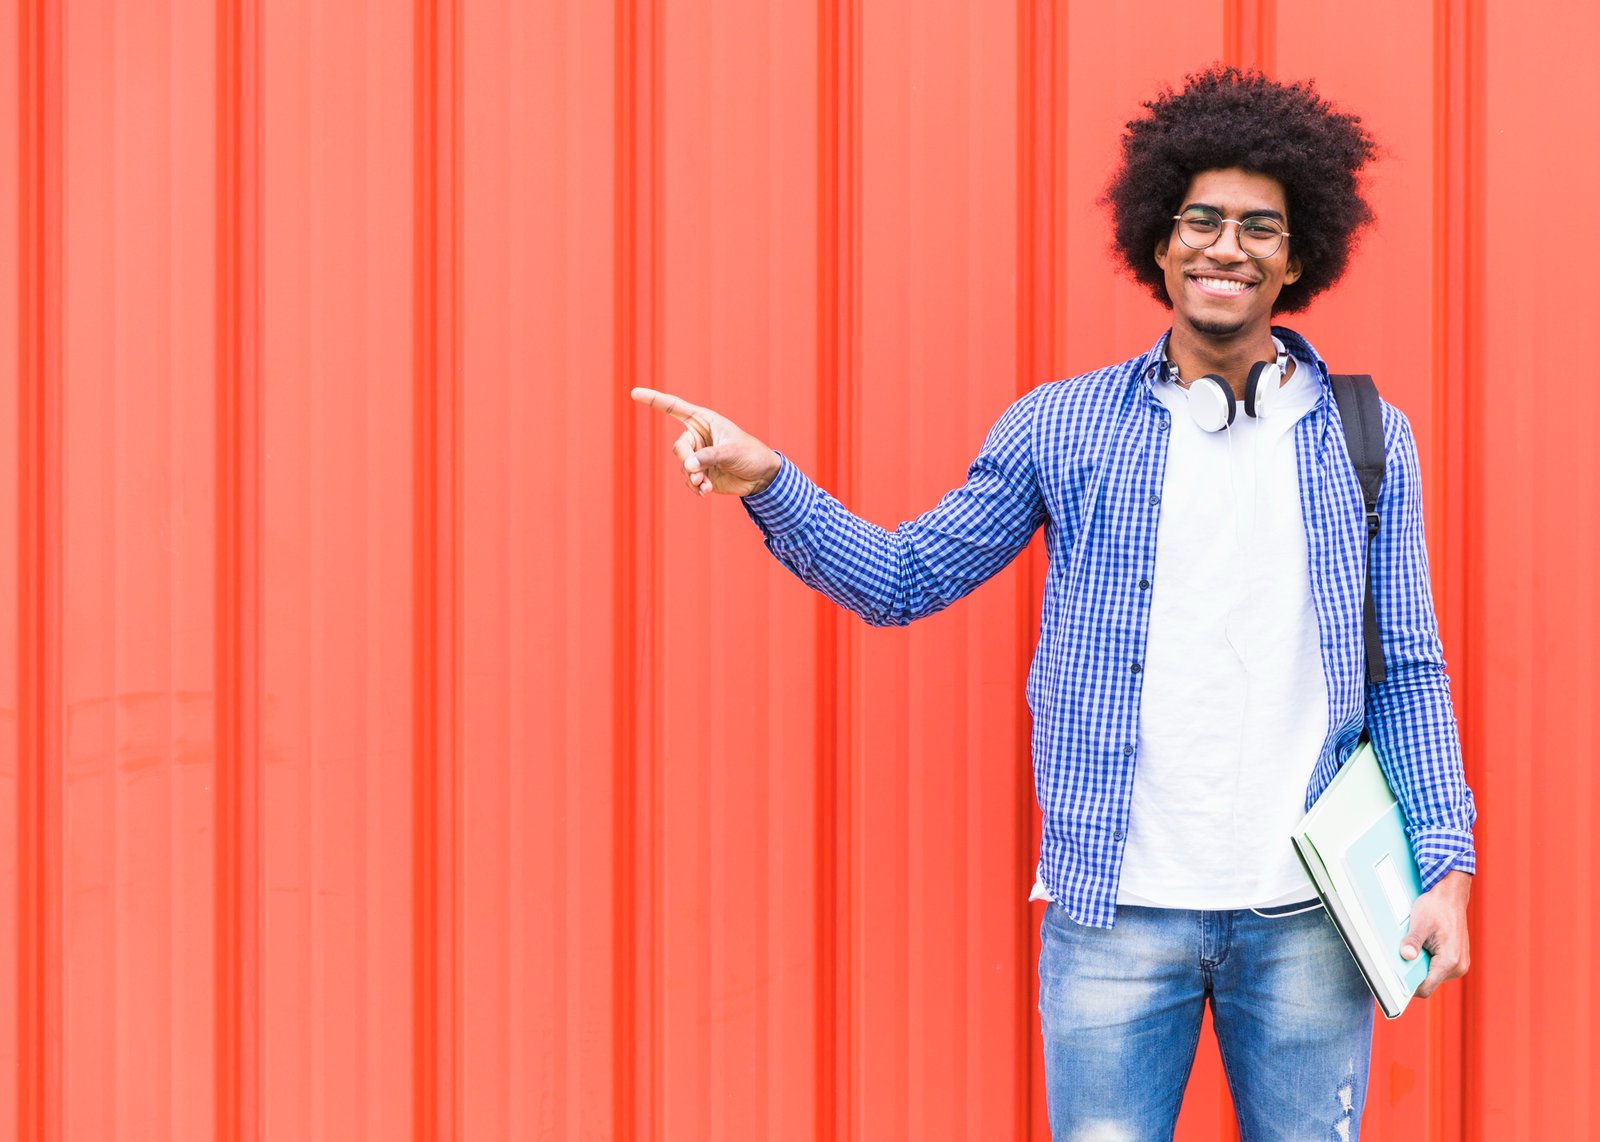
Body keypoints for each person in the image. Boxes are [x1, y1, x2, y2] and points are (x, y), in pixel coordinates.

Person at [633, 66, 1474, 1141]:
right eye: (1200, 219)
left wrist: (1445, 864)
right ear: (1157, 244)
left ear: (1298, 254)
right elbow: (902, 578)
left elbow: (1405, 664)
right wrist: (770, 482)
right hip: (1112, 910)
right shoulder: (1061, 428)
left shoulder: (1367, 436)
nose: (1226, 245)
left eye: (1259, 227)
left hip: (1308, 915)